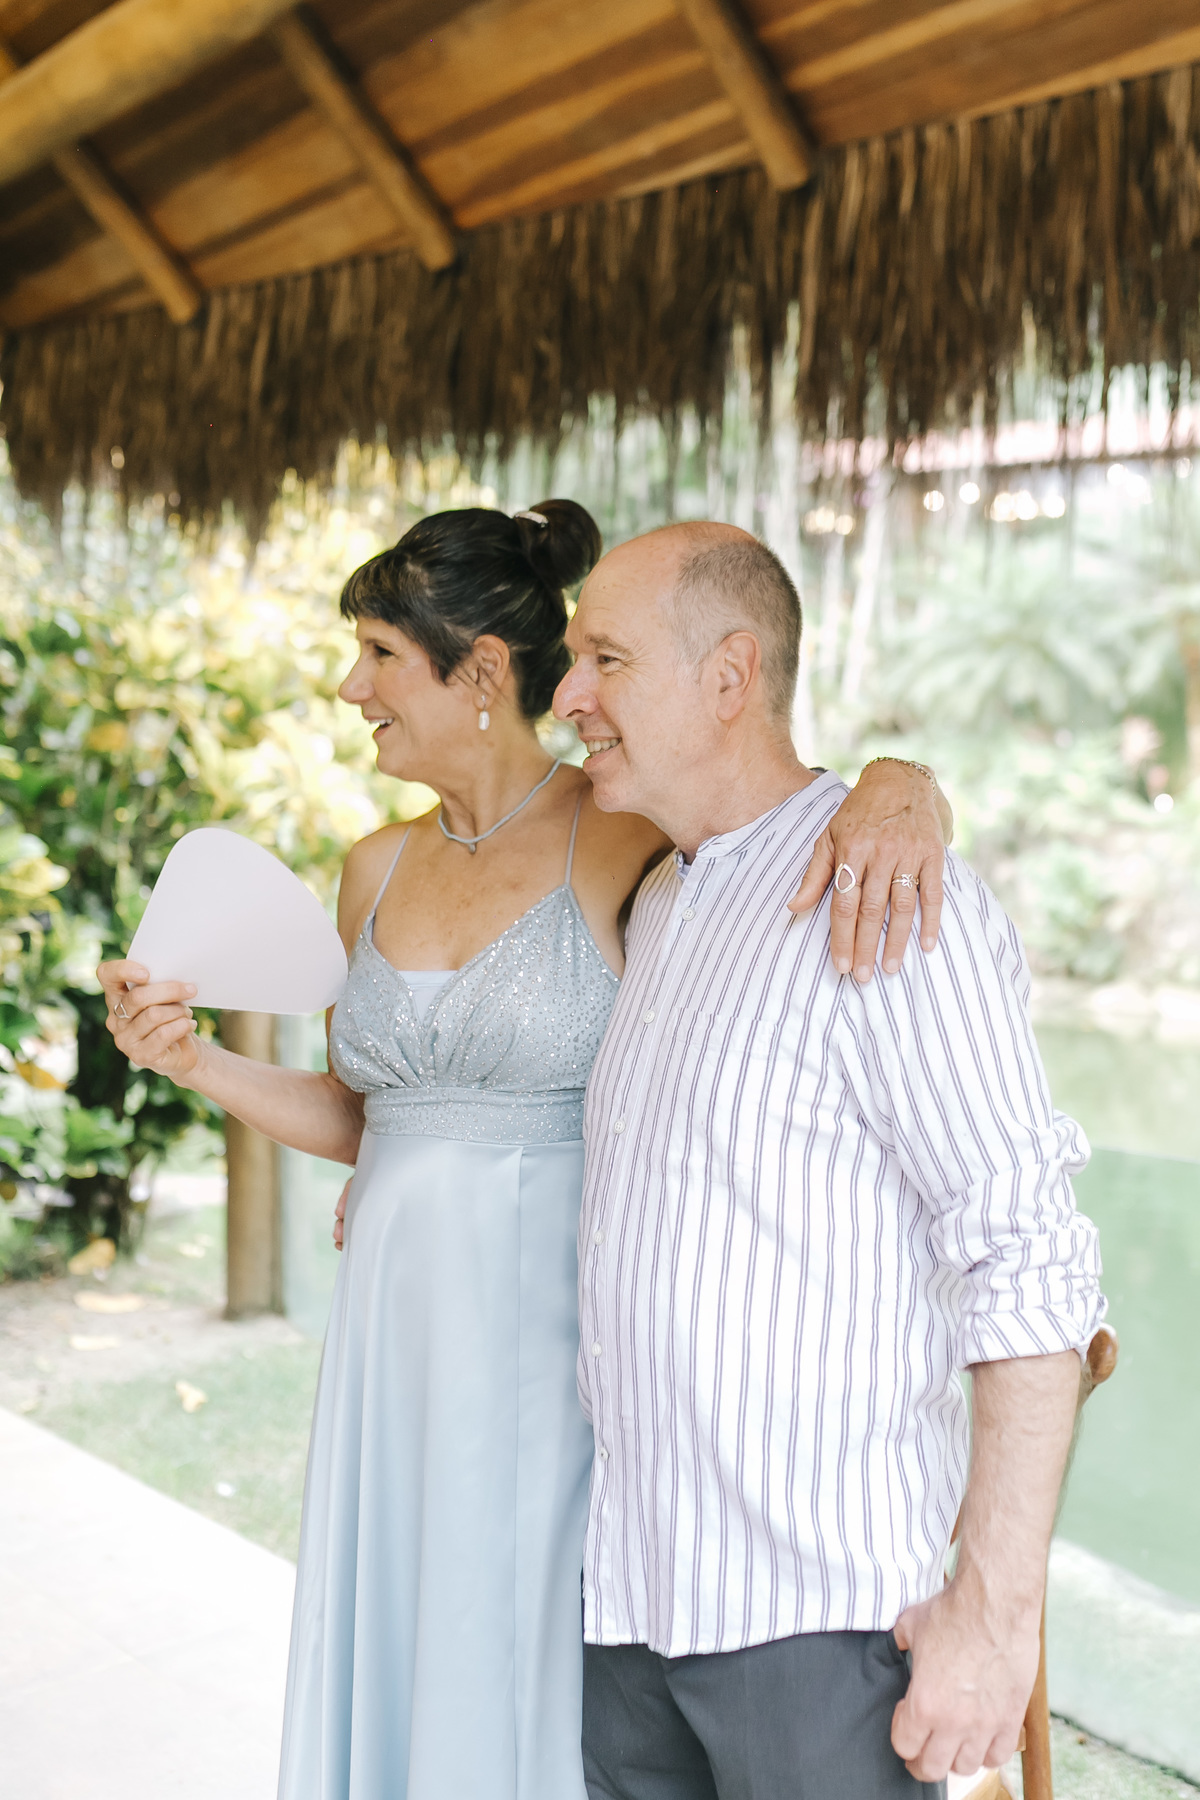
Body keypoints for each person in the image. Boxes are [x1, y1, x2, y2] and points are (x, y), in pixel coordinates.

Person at [97, 501, 950, 1800]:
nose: (351, 688)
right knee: (407, 1624)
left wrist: (906, 783)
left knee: (534, 1649)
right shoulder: (372, 868)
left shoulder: (625, 837)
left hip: (557, 1333)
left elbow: (779, 812)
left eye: (380, 654)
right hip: (392, 1334)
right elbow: (370, 1117)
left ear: (482, 672)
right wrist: (194, 1061)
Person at [554, 522, 1105, 1800]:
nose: (569, 695)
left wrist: (994, 1617)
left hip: (821, 1625)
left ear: (730, 676)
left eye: (606, 660)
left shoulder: (893, 897)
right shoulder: (660, 899)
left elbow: (1028, 1257)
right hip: (632, 1605)